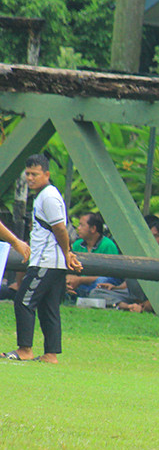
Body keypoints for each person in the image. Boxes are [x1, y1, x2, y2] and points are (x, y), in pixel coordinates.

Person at [5, 154, 83, 363]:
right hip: (51, 261)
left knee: (23, 301)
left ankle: (25, 350)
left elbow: (59, 228)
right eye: (28, 174)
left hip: (46, 262)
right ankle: (50, 354)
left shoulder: (48, 196)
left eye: (35, 174)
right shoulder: (44, 195)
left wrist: (67, 253)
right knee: (49, 307)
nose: (30, 178)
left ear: (46, 174)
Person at [66, 212, 122, 298]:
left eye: (81, 225)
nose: (78, 228)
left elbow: (109, 274)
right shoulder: (77, 244)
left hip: (98, 282)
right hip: (80, 282)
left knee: (101, 281)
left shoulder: (108, 245)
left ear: (93, 229)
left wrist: (80, 280)